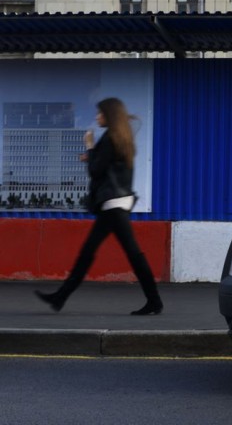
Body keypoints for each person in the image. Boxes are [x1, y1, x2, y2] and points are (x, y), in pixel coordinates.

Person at [35, 97, 163, 316]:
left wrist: (90, 147)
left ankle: (154, 301)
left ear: (109, 115)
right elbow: (107, 166)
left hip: (112, 203)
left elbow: (96, 171)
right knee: (93, 252)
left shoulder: (109, 139)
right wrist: (94, 156)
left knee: (127, 254)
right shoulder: (122, 138)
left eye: (100, 113)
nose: (97, 117)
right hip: (116, 202)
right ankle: (60, 296)